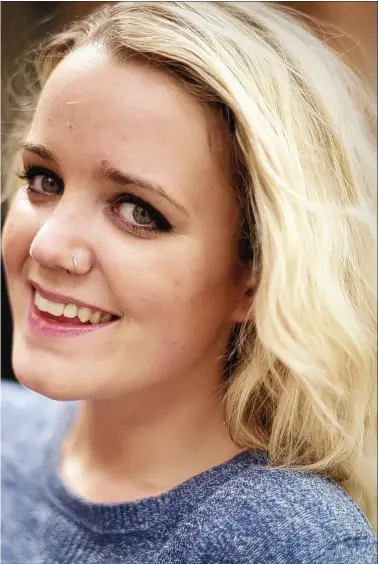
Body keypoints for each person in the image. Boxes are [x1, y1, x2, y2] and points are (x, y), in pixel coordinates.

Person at [1, 2, 377, 562]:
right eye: (44, 179)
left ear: (256, 274)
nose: (48, 245)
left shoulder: (289, 544)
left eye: (138, 212)